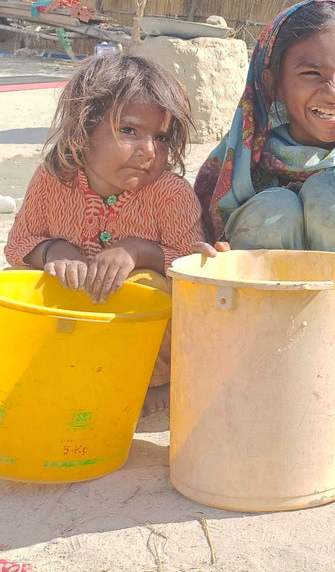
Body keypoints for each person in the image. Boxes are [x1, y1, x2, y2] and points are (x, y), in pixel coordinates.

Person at [193, 0, 335, 412]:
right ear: (274, 82)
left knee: (329, 194)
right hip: (254, 324)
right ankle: (260, 358)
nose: (334, 92)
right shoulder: (242, 154)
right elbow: (199, 251)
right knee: (275, 207)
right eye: (311, 74)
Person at [4, 53, 205, 411]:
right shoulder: (53, 178)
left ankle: (157, 384)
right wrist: (54, 251)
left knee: (153, 289)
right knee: (17, 285)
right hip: (77, 317)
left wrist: (139, 252)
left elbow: (193, 268)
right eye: (129, 131)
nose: (148, 151)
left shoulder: (171, 194)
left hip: (142, 341)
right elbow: (19, 243)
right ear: (83, 131)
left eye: (160, 138)